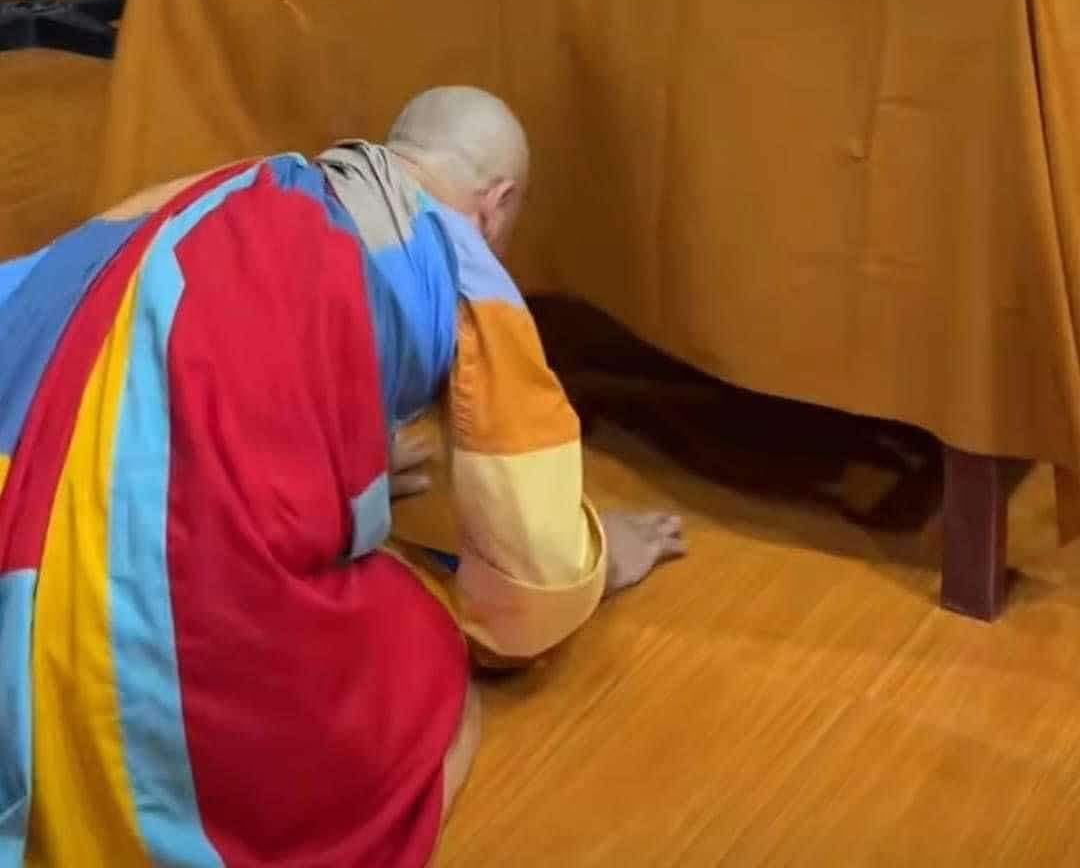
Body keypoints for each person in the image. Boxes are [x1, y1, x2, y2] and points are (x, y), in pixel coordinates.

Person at [0, 87, 684, 868]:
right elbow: (530, 559)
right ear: (496, 207)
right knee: (426, 665)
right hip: (152, 627)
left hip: (18, 500)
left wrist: (337, 455)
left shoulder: (235, 187)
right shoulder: (468, 267)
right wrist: (597, 561)